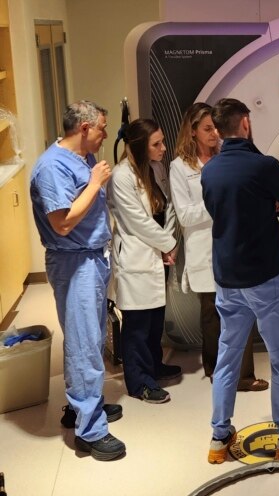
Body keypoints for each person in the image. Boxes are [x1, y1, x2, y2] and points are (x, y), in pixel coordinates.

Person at [201, 98, 279, 464]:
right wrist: (268, 204)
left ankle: (219, 438)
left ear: (219, 128)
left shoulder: (210, 171)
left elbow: (221, 211)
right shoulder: (264, 166)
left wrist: (258, 205)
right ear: (245, 124)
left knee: (227, 359)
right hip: (266, 279)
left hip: (227, 279)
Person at [30, 100, 126, 461]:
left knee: (91, 336)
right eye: (102, 127)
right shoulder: (51, 167)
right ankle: (90, 430)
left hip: (92, 258)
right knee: (85, 344)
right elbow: (63, 222)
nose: (105, 134)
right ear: (84, 128)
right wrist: (96, 182)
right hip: (73, 262)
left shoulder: (83, 158)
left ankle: (82, 406)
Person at [169, 102, 268, 391]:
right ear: (193, 131)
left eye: (216, 128)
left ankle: (244, 376)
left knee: (243, 309)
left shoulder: (227, 157)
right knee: (212, 315)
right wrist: (219, 203)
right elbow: (185, 214)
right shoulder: (179, 167)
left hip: (233, 244)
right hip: (203, 248)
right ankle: (216, 371)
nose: (214, 134)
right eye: (207, 129)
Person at [107, 118, 180, 404]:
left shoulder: (157, 167)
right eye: (157, 144)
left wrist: (168, 245)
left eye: (162, 142)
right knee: (137, 324)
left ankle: (154, 365)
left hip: (158, 253)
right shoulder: (121, 176)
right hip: (137, 255)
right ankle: (140, 383)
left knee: (155, 319)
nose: (163, 148)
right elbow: (136, 221)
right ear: (139, 146)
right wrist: (168, 243)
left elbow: (168, 207)